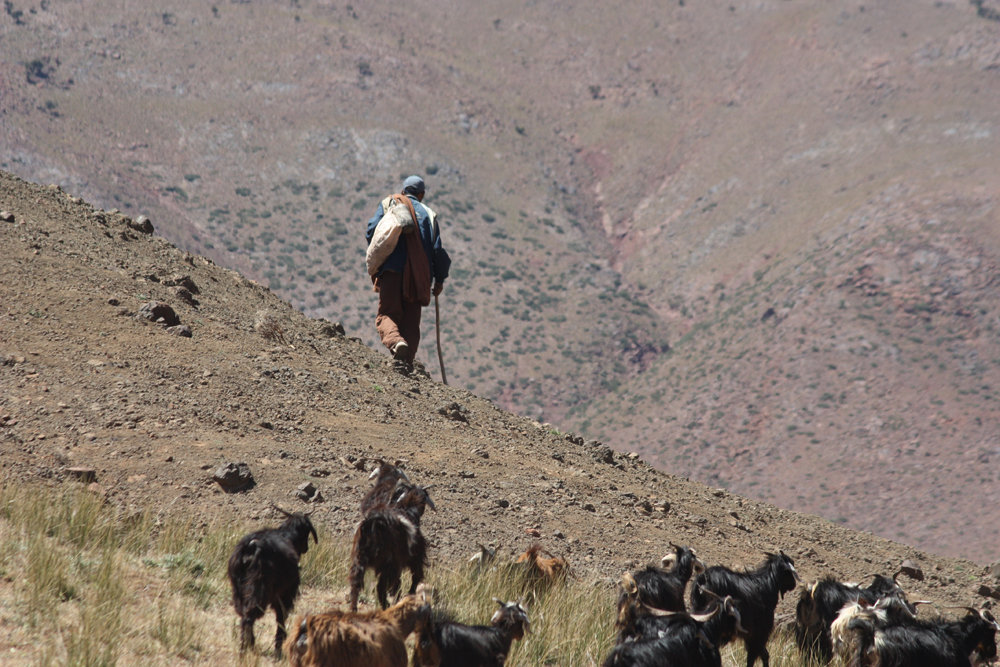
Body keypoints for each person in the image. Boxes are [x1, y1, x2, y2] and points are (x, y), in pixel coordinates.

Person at [365, 175, 450, 364]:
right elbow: (438, 251)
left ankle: (396, 343)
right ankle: (406, 364)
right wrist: (440, 280)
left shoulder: (390, 203)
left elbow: (372, 232)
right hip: (418, 278)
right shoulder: (429, 214)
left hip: (392, 271)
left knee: (387, 314)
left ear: (404, 191)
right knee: (411, 323)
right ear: (422, 195)